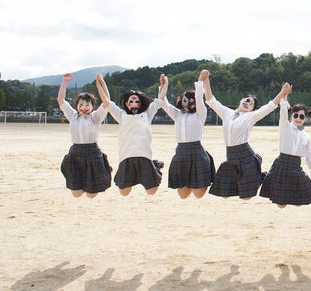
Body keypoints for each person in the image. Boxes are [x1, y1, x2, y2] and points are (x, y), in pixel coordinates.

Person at [202, 70, 292, 200]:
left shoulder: (251, 116)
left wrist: (282, 92)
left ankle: (261, 177)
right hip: (230, 156)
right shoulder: (227, 113)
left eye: (251, 104)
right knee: (224, 194)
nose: (248, 103)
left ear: (252, 109)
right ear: (242, 99)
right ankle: (259, 176)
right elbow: (210, 100)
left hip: (245, 155)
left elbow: (271, 105)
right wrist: (206, 80)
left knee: (247, 197)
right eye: (247, 100)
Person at [96, 74, 164, 196]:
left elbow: (160, 100)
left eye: (136, 101)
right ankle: (153, 166)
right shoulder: (121, 115)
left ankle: (155, 167)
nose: (133, 103)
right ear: (126, 103)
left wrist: (165, 83)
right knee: (124, 192)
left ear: (141, 103)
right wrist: (100, 83)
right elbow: (107, 102)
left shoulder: (147, 114)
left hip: (144, 155)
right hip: (126, 156)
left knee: (151, 191)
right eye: (131, 101)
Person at [259, 88, 311, 207]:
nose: (298, 119)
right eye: (296, 115)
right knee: (281, 205)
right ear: (291, 115)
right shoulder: (285, 126)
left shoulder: (305, 136)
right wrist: (284, 94)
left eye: (301, 117)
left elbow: (309, 157)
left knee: (300, 202)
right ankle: (265, 177)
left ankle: (267, 177)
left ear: (305, 119)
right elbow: (283, 110)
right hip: (281, 164)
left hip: (295, 166)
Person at [157, 71, 215, 199]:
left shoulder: (200, 114)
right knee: (183, 195)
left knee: (198, 194)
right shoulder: (178, 115)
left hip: (196, 151)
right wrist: (163, 84)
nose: (188, 102)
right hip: (181, 152)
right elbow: (163, 102)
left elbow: (199, 99)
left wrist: (200, 81)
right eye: (185, 99)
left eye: (190, 99)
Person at [57, 73, 112, 198]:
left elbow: (106, 102)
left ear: (93, 106)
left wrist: (102, 83)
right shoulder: (73, 116)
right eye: (81, 105)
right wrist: (64, 82)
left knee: (91, 194)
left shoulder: (96, 117)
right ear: (77, 106)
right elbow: (61, 100)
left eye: (87, 105)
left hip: (93, 152)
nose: (84, 107)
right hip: (76, 152)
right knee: (76, 193)